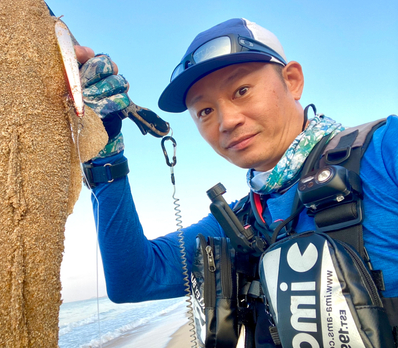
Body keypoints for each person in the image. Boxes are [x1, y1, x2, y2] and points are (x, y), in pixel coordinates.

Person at [75, 18, 398, 343]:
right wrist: (105, 150)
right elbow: (135, 278)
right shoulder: (240, 222)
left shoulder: (385, 151)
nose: (227, 121)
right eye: (204, 111)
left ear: (293, 80)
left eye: (241, 91)